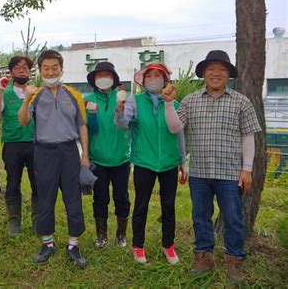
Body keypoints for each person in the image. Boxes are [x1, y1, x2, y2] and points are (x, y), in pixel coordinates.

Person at [162, 50, 261, 285]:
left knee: (234, 219)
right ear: (204, 74)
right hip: (200, 173)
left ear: (228, 75)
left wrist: (247, 168)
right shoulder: (190, 100)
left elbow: (248, 136)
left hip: (230, 173)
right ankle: (204, 258)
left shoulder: (241, 101)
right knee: (200, 217)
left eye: (221, 70)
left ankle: (235, 263)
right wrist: (168, 104)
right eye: (211, 70)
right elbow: (175, 128)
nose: (216, 73)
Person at [18, 49, 89, 269]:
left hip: (69, 152)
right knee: (45, 198)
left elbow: (82, 125)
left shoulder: (74, 95)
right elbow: (23, 121)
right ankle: (47, 244)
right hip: (44, 152)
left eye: (54, 67)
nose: (51, 72)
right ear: (39, 71)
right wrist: (27, 98)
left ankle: (73, 245)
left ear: (61, 68)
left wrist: (85, 154)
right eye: (46, 68)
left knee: (73, 198)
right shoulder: (35, 95)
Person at [115, 63, 186, 265]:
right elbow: (122, 124)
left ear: (165, 80)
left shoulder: (175, 104)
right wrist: (119, 109)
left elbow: (179, 134)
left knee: (168, 205)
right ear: (144, 81)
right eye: (150, 76)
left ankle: (168, 246)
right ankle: (138, 245)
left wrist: (183, 162)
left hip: (169, 163)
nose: (153, 79)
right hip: (144, 161)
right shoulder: (134, 101)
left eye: (158, 75)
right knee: (141, 205)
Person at [84, 61, 131, 248]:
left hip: (121, 157)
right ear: (94, 80)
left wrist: (121, 106)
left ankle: (121, 234)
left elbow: (127, 124)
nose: (103, 78)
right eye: (99, 75)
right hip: (98, 159)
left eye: (107, 75)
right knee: (100, 198)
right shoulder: (87, 99)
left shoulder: (124, 98)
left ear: (114, 79)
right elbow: (90, 130)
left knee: (122, 197)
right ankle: (101, 236)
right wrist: (92, 115)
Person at [0, 55, 38, 235]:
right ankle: (14, 221)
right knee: (12, 184)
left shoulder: (36, 93)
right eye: (17, 67)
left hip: (35, 144)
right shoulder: (6, 92)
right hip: (12, 145)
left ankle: (37, 220)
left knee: (38, 183)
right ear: (11, 72)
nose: (22, 70)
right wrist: (0, 90)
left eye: (25, 67)